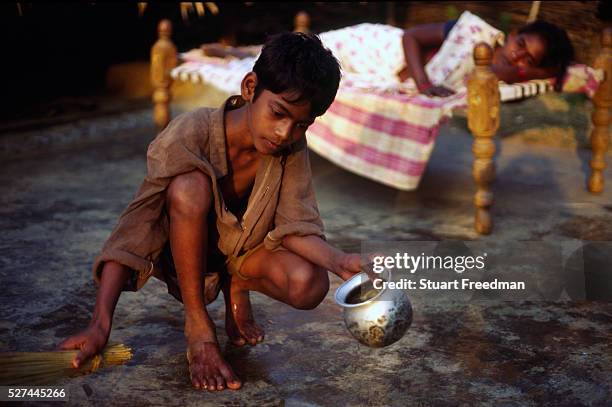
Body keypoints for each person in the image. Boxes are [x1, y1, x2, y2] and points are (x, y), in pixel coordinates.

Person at [58, 32, 363, 391]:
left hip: (240, 255)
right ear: (250, 87)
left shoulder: (291, 149)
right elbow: (135, 228)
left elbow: (296, 225)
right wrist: (100, 323)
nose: (284, 133)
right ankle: (197, 323)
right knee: (189, 188)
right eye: (278, 113)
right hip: (183, 258)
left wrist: (339, 261)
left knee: (310, 284)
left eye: (301, 124)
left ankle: (237, 285)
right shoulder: (190, 133)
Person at [203, 11, 574, 97]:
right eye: (521, 45)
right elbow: (412, 37)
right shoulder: (471, 34)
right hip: (380, 46)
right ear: (514, 34)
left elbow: (552, 74)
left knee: (310, 60)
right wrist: (424, 82)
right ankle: (240, 50)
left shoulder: (503, 70)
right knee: (303, 50)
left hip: (377, 72)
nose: (519, 56)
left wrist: (547, 70)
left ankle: (244, 49)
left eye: (530, 60)